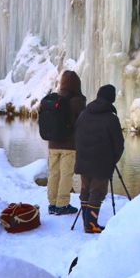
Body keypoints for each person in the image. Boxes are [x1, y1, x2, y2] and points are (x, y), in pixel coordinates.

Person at [74, 83, 125, 233]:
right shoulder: (111, 118)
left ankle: (87, 222)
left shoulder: (84, 114)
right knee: (97, 192)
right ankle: (90, 225)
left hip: (83, 160)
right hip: (101, 163)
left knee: (85, 191)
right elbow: (119, 144)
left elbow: (76, 136)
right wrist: (112, 161)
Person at [46, 70, 87, 216]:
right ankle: (62, 204)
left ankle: (52, 203)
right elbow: (83, 123)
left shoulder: (54, 99)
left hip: (52, 144)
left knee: (54, 174)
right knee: (66, 175)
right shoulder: (77, 101)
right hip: (69, 146)